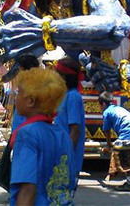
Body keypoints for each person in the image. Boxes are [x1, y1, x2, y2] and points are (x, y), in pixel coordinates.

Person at [9, 67, 76, 205]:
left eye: (19, 93)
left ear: (31, 101)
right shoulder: (62, 134)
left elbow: (28, 189)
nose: (16, 97)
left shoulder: (27, 134)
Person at [98, 91, 130, 191]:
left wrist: (109, 145)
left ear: (103, 104)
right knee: (128, 155)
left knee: (117, 152)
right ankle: (129, 182)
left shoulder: (107, 112)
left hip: (129, 134)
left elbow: (106, 130)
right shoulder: (118, 108)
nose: (100, 108)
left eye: (100, 105)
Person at [54, 57, 86, 194]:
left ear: (63, 77)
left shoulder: (73, 97)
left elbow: (74, 131)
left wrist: (67, 156)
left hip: (66, 157)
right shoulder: (64, 95)